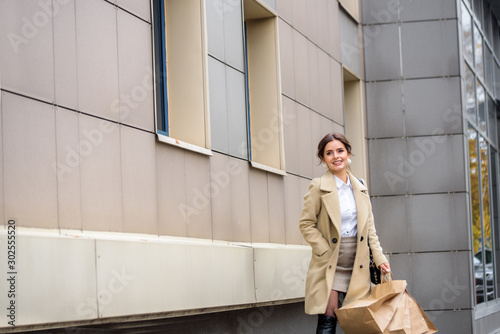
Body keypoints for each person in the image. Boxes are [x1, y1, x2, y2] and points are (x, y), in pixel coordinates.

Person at [299, 133, 390, 334]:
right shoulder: (318, 186)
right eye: (329, 153)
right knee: (327, 320)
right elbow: (306, 224)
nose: (336, 156)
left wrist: (380, 257)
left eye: (340, 151)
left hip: (358, 261)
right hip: (330, 261)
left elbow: (370, 230)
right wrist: (323, 249)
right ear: (323, 159)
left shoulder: (361, 186)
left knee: (359, 323)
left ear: (348, 153)